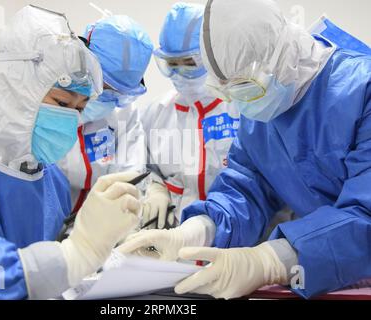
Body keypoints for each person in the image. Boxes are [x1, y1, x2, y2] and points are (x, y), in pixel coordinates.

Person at [119, 0, 371, 299]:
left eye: (243, 87)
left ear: (282, 55)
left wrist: (269, 260)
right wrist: (196, 230)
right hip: (319, 277)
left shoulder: (361, 90)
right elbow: (245, 189)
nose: (238, 104)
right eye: (224, 91)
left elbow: (364, 215)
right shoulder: (261, 113)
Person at [0, 5, 141, 299]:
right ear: (16, 89)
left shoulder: (50, 179)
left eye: (80, 109)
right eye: (63, 104)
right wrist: (69, 257)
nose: (72, 120)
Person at [139, 2, 240, 230]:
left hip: (238, 245)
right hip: (174, 249)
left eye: (189, 63)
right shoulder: (158, 112)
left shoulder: (243, 109)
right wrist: (154, 187)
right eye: (172, 64)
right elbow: (141, 166)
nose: (180, 74)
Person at [59, 14, 153, 212]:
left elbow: (130, 174)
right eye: (102, 85)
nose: (105, 97)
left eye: (116, 93)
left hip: (101, 226)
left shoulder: (124, 113)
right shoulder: (50, 103)